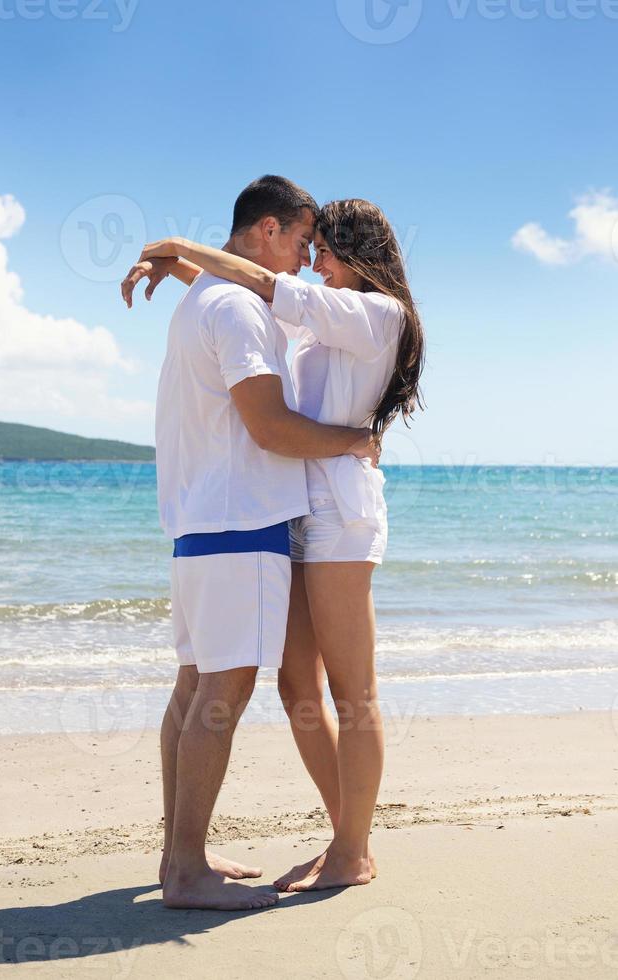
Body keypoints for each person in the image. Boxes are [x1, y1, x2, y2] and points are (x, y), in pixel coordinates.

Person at [127, 195, 425, 892]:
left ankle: (353, 848)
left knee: (353, 691)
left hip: (341, 516)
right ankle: (342, 832)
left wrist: (179, 243)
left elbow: (263, 284)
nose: (313, 259)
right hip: (294, 512)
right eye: (310, 244)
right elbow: (249, 308)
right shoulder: (324, 319)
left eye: (324, 247)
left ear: (357, 251)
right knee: (297, 687)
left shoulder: (379, 314)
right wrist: (185, 276)